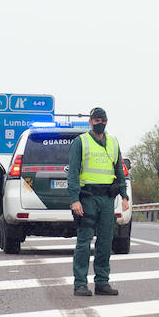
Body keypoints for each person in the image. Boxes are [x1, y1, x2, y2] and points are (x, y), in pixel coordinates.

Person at [68, 107, 130, 296]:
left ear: (106, 121)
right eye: (96, 120)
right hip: (87, 198)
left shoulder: (113, 142)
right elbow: (73, 173)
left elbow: (119, 170)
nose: (99, 123)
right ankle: (80, 283)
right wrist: (74, 200)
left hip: (107, 199)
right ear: (90, 122)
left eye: (102, 121)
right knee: (84, 241)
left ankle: (102, 282)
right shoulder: (81, 142)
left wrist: (124, 195)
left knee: (105, 241)